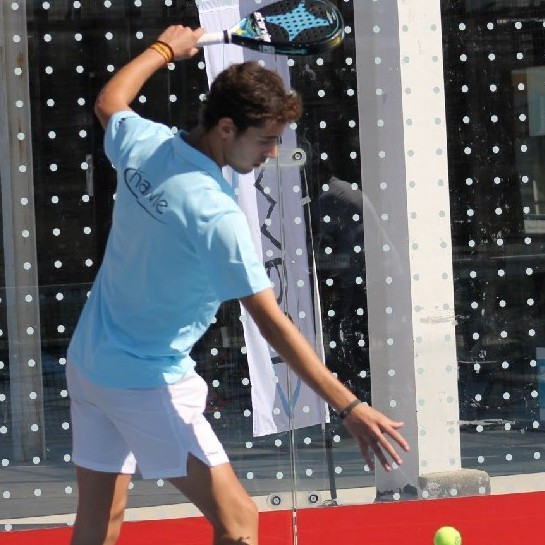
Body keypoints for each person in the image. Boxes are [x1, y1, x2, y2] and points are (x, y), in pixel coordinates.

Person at [66, 24, 410, 545]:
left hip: (89, 364)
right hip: (145, 380)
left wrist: (163, 49)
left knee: (99, 523)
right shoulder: (216, 214)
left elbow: (110, 100)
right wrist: (350, 406)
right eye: (266, 140)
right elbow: (272, 323)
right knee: (240, 521)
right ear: (226, 128)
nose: (272, 153)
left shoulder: (147, 145)